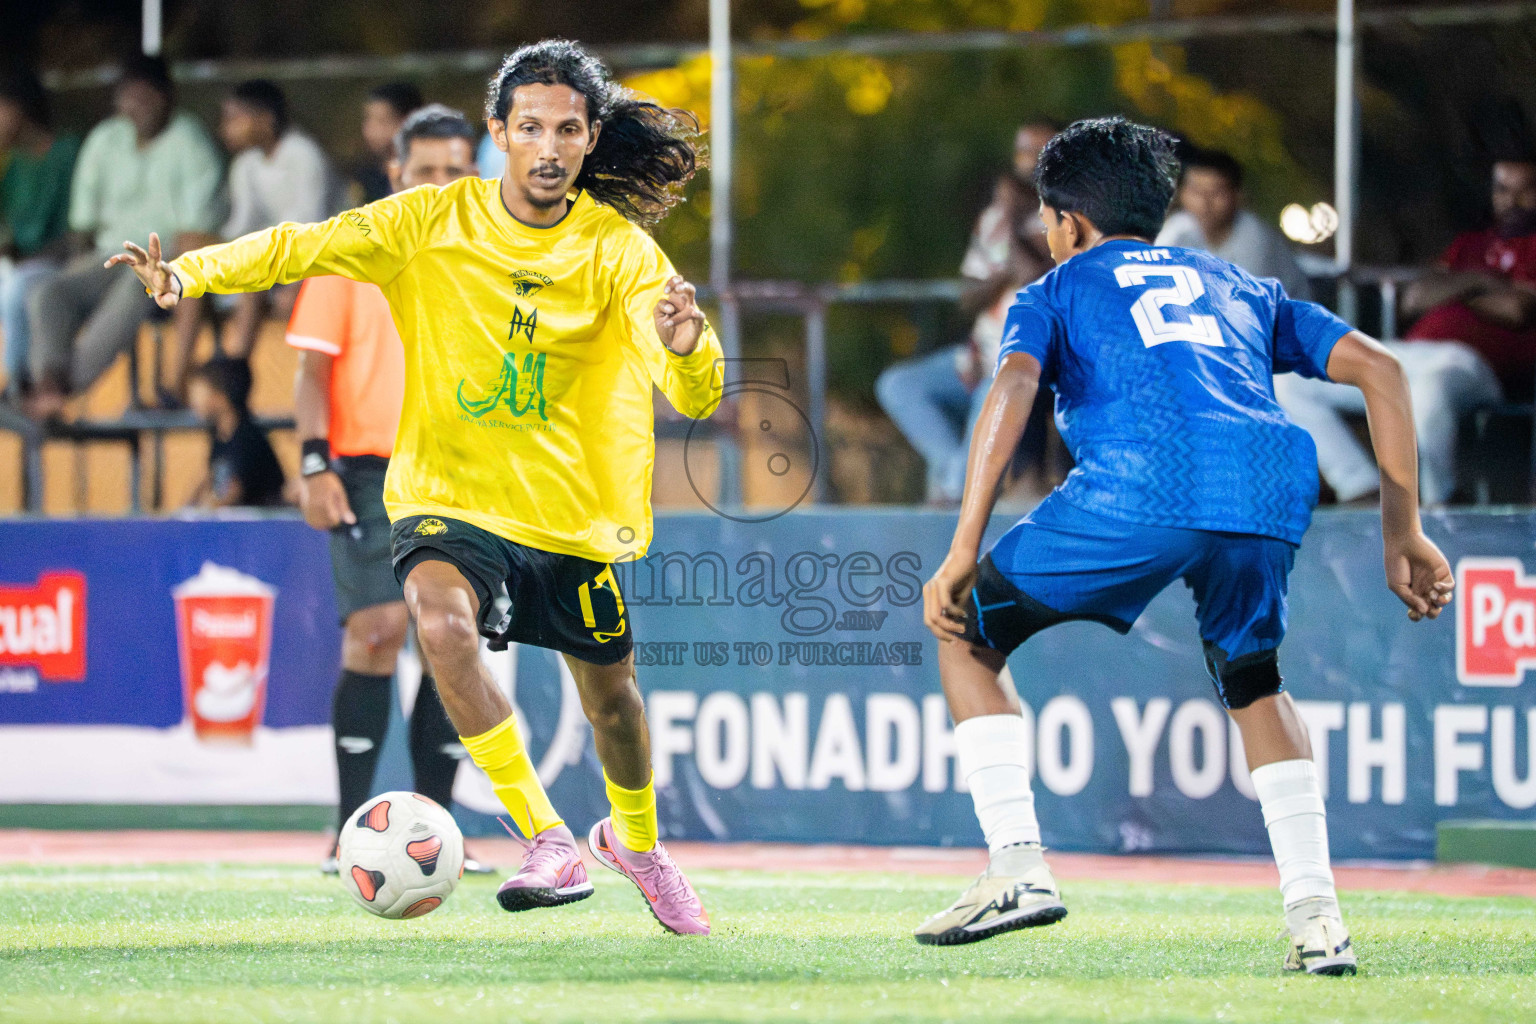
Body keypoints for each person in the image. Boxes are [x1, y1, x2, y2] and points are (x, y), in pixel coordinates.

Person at [110, 39, 721, 936]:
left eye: (567, 130)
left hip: (569, 511)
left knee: (615, 706)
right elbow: (302, 245)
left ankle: (638, 844)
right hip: (447, 490)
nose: (548, 147)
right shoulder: (428, 219)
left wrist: (687, 348)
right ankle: (547, 837)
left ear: (592, 139)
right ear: (496, 134)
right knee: (439, 623)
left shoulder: (620, 252)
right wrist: (187, 275)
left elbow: (694, 391)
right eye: (530, 128)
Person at [915, 118, 1452, 976]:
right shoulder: (1238, 283)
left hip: (1144, 483)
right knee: (1255, 680)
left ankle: (1017, 868)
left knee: (965, 632)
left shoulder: (1056, 288)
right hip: (1267, 485)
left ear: (1068, 223)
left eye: (1049, 223)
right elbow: (1381, 370)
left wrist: (960, 547)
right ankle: (1318, 920)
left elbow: (1014, 381)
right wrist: (1404, 532)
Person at [288, 104, 492, 876]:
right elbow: (311, 370)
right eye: (425, 169)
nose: (439, 183)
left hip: (462, 469)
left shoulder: (497, 257)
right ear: (396, 171)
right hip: (369, 469)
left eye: (454, 170)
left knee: (450, 639)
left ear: (473, 174)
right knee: (375, 632)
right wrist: (314, 464)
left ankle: (437, 833)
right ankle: (348, 835)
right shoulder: (351, 247)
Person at [1274, 159, 1532, 505]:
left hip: (1473, 365)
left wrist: (1454, 289)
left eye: (1526, 190)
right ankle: (1361, 487)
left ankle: (1439, 501)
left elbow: (1517, 310)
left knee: (1430, 390)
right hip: (1411, 355)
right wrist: (1482, 281)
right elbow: (1414, 298)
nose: (1512, 200)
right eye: (1503, 189)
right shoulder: (1470, 245)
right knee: (1293, 379)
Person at [26, 55, 223, 420]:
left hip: (163, 259)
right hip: (107, 254)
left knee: (137, 285)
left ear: (167, 97)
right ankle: (48, 382)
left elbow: (196, 232)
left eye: (145, 97)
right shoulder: (106, 138)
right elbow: (83, 225)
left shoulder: (191, 142)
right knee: (48, 293)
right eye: (127, 97)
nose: (135, 107)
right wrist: (78, 270)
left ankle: (62, 389)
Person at [877, 122, 1056, 504]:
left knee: (964, 479)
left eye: (1040, 150)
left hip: (1020, 366)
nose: (1029, 161)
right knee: (898, 385)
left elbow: (1035, 278)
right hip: (979, 353)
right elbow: (969, 294)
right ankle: (950, 472)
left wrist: (1013, 224)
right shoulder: (995, 218)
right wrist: (1001, 266)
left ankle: (955, 485)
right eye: (1023, 151)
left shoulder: (1066, 216)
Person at [169, 79, 342, 397]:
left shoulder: (303, 155)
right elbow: (240, 227)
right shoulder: (245, 164)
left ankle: (232, 377)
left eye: (235, 118)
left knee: (252, 274)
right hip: (270, 260)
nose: (225, 128)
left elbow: (314, 229)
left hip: (315, 263)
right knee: (190, 245)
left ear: (265, 119)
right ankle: (183, 375)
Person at [0, 67, 79, 400]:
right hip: (19, 265)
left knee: (14, 292)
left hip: (60, 265)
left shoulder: (67, 152)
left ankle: (17, 388)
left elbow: (76, 234)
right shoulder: (11, 163)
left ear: (20, 109)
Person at [1155, 146, 1312, 300]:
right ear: (1180, 193)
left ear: (1238, 196)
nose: (1205, 202)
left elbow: (1245, 306)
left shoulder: (1255, 238)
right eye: (1196, 191)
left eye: (1216, 192)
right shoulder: (1180, 228)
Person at [186, 356, 285, 509]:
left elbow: (234, 490)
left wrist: (205, 511)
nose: (193, 402)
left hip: (263, 520)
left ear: (220, 397)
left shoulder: (247, 437)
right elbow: (209, 479)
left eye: (199, 394)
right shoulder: (220, 437)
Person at [354, 82, 422, 204]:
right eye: (368, 119)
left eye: (382, 121)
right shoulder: (367, 178)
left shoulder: (424, 180)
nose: (370, 130)